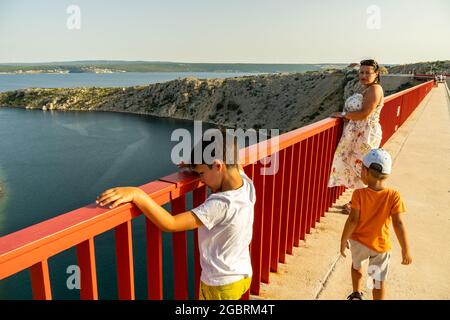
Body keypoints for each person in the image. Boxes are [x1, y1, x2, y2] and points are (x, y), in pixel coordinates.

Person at [96, 128, 256, 300]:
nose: (200, 179)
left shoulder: (220, 204)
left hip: (220, 285)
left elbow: (170, 223)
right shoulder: (246, 184)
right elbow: (233, 163)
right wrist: (196, 165)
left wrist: (138, 195)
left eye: (201, 173)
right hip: (242, 274)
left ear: (218, 166)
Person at [340, 149, 412, 300]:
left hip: (359, 242)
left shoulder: (359, 194)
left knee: (356, 266)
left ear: (365, 172)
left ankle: (356, 294)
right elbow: (398, 223)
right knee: (377, 280)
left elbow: (352, 220)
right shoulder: (393, 196)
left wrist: (343, 239)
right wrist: (405, 249)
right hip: (380, 246)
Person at [328, 59, 385, 214]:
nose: (364, 75)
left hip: (366, 135)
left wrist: (344, 114)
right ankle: (357, 203)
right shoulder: (366, 88)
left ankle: (359, 205)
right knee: (359, 170)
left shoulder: (375, 89)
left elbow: (365, 113)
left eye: (368, 73)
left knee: (363, 171)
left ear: (376, 74)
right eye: (361, 72)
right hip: (358, 134)